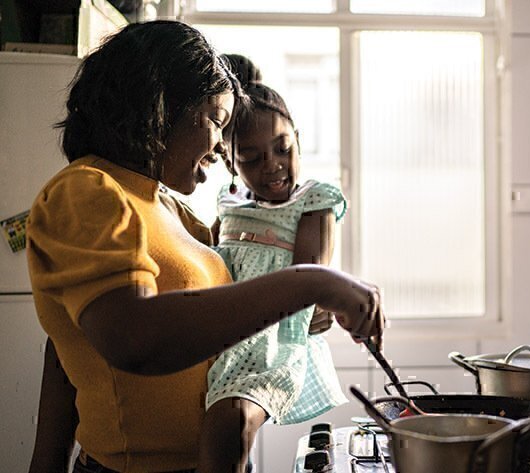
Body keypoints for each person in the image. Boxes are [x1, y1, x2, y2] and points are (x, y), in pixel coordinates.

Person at [25, 21, 383, 473]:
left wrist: (301, 313)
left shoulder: (174, 211)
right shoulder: (89, 190)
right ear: (161, 107)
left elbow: (71, 343)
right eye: (217, 121)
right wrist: (308, 284)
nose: (219, 149)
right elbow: (130, 338)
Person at [195, 54, 348, 472]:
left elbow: (307, 283)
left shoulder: (314, 201)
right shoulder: (228, 205)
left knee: (230, 423)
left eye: (283, 149)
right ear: (229, 161)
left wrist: (323, 304)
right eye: (252, 158)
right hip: (223, 332)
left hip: (271, 343)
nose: (273, 165)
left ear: (297, 137)